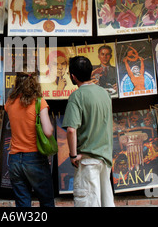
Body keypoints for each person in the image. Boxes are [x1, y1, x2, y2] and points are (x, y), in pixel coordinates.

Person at [63, 56, 115, 207]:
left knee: (88, 203)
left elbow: (71, 130)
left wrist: (73, 155)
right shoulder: (105, 94)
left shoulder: (76, 96)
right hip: (105, 160)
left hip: (87, 161)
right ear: (91, 72)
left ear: (73, 77)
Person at [4, 71, 55, 207]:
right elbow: (48, 131)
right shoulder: (39, 102)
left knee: (22, 203)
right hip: (34, 157)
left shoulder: (9, 102)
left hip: (14, 158)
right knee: (47, 201)